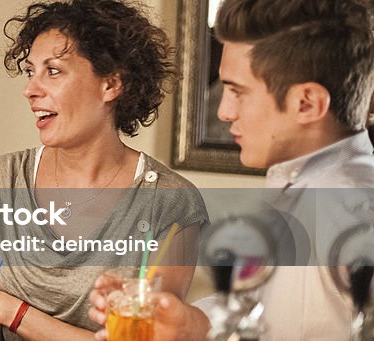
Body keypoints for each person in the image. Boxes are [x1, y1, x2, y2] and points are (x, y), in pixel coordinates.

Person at [0, 1, 208, 340]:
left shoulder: (171, 203)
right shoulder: (6, 177)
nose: (30, 89)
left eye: (52, 71)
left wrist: (13, 309)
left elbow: (144, 338)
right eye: (30, 71)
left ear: (110, 85)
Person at [88, 0, 374, 340]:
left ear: (307, 103)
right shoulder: (294, 189)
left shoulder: (354, 213)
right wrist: (187, 325)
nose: (224, 111)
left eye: (237, 92)